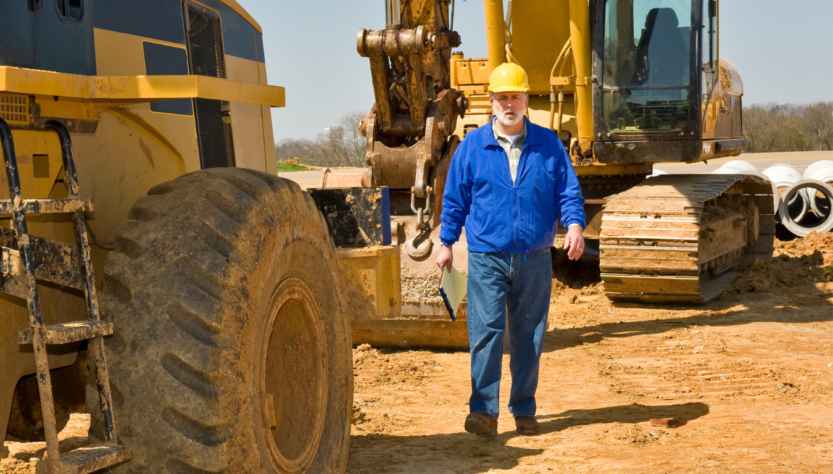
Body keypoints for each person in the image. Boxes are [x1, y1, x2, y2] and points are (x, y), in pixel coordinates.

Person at [436, 62, 586, 437]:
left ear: (525, 100)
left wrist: (575, 225)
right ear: (491, 101)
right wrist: (446, 243)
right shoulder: (472, 147)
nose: (509, 103)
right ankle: (483, 412)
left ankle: (524, 409)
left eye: (515, 96)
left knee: (529, 335)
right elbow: (454, 199)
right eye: (502, 96)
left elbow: (567, 192)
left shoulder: (549, 144)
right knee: (485, 333)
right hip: (487, 258)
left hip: (534, 259)